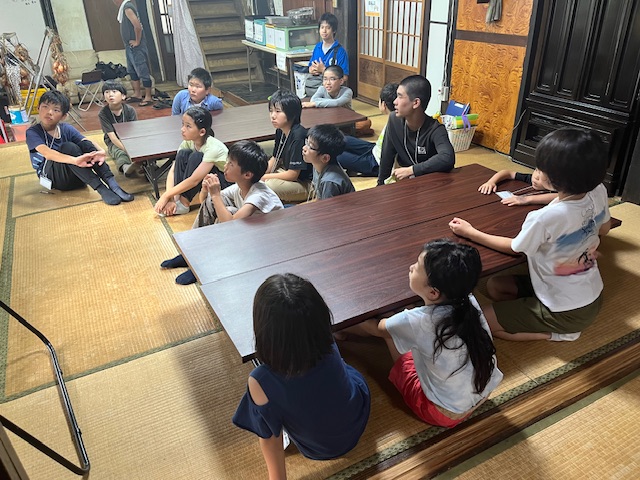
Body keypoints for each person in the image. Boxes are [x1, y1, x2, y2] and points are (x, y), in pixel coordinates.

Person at [449, 128, 611, 342]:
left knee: (479, 323)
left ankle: (558, 334)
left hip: (566, 311)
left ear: (554, 178)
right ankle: (542, 311)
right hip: (591, 294)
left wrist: (470, 232)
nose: (536, 171)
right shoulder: (598, 191)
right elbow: (604, 229)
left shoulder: (544, 218)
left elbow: (515, 248)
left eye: (540, 167)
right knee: (495, 287)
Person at [342, 239, 503, 427]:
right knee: (405, 325)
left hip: (444, 413)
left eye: (417, 266)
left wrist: (350, 312)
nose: (411, 267)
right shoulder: (468, 299)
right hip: (484, 392)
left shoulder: (418, 321)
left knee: (389, 328)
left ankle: (340, 333)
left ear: (434, 293)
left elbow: (376, 329)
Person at [232, 273, 370, 479]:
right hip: (358, 415)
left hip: (320, 448)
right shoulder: (325, 338)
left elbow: (270, 438)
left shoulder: (260, 379)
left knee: (265, 408)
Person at [161, 140, 283, 284]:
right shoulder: (239, 187)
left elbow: (231, 225)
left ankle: (205, 264)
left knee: (227, 212)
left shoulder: (259, 195)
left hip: (267, 243)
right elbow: (206, 202)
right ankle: (191, 252)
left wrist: (215, 194)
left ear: (247, 174)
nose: (225, 166)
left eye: (231, 164)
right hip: (250, 235)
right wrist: (206, 190)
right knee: (218, 204)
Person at [26, 90, 133, 206]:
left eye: (56, 110)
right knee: (68, 147)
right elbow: (47, 153)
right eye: (45, 107)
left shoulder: (65, 128)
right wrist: (75, 160)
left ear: (63, 116)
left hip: (79, 177)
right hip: (55, 180)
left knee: (85, 144)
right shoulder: (33, 132)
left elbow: (86, 141)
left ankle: (113, 185)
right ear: (38, 108)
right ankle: (101, 188)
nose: (49, 112)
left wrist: (100, 151)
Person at [377, 75, 455, 186]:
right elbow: (387, 156)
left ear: (416, 103)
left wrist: (412, 170)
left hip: (433, 184)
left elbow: (447, 157)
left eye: (400, 97)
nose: (395, 101)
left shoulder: (436, 129)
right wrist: (380, 185)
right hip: (409, 184)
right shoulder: (394, 120)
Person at [154, 106, 228, 216]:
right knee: (183, 154)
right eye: (183, 124)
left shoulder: (213, 147)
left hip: (224, 182)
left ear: (202, 132)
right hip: (206, 181)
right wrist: (170, 198)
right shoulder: (188, 142)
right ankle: (177, 201)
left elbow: (194, 180)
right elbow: (173, 171)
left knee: (197, 157)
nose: (182, 129)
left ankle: (184, 203)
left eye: (188, 126)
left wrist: (165, 195)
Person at [262, 90, 313, 202]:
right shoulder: (280, 130)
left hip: (305, 183)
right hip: (286, 172)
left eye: (278, 111)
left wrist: (264, 177)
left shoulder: (298, 135)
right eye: (271, 111)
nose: (273, 116)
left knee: (269, 186)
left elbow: (293, 175)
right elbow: (275, 158)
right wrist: (260, 173)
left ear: (292, 113)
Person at [336, 82, 398, 176]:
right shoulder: (395, 118)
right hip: (375, 149)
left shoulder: (396, 125)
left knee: (337, 156)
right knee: (341, 138)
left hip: (376, 163)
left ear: (383, 104)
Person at [113, 0, 153, 106]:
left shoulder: (128, 8)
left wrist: (137, 41)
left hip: (136, 47)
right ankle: (137, 94)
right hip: (129, 47)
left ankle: (148, 97)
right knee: (132, 71)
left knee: (142, 71)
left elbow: (138, 26)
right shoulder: (125, 8)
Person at [303, 124, 354, 200]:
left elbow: (327, 206)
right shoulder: (318, 165)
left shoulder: (329, 181)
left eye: (310, 146)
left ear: (325, 158)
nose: (304, 148)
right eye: (307, 142)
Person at [98, 80, 138, 177]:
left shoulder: (130, 110)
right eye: (107, 92)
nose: (110, 95)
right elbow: (112, 138)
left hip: (130, 138)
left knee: (142, 148)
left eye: (114, 91)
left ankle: (149, 166)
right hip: (114, 141)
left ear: (123, 96)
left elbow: (135, 131)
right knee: (119, 153)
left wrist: (133, 147)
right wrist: (127, 150)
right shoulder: (103, 113)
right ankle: (126, 168)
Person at [305, 13, 349, 97]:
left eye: (328, 28)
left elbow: (345, 77)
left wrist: (324, 70)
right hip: (314, 88)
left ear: (334, 30)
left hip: (331, 93)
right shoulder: (317, 47)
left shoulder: (340, 51)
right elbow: (310, 66)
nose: (324, 31)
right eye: (322, 27)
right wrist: (311, 70)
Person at [478, 168, 557, 206]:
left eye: (542, 175)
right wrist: (491, 182)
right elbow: (508, 173)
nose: (536, 177)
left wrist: (527, 199)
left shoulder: (559, 188)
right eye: (536, 170)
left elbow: (558, 197)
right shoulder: (532, 179)